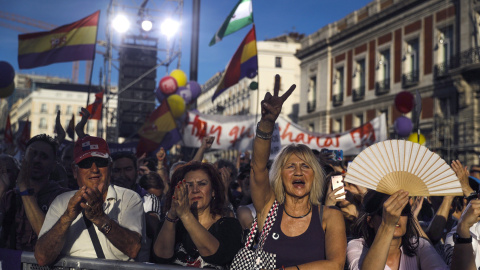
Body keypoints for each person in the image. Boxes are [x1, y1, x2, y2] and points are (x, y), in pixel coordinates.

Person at [246, 74, 346, 269]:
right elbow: (258, 167)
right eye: (291, 166)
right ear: (280, 175)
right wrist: (267, 123)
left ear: (315, 175)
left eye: (305, 166)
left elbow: (335, 264)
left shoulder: (330, 217)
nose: (298, 172)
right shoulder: (268, 209)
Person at [34, 135, 145, 265]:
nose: (94, 169)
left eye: (100, 163)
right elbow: (42, 258)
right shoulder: (61, 202)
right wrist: (67, 218)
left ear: (110, 166)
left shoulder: (129, 198)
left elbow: (133, 249)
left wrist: (100, 218)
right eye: (86, 164)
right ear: (75, 171)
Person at [153, 161, 243, 268]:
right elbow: (161, 256)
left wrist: (186, 215)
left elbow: (214, 254)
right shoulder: (170, 224)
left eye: (202, 184)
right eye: (189, 185)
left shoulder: (229, 225)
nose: (195, 190)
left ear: (213, 191)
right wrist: (172, 214)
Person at [0, 135, 69, 251]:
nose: (36, 160)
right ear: (23, 160)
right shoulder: (9, 197)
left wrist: (24, 188)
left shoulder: (63, 198)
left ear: (53, 165)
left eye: (44, 157)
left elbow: (49, 241)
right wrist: (1, 191)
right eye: (32, 155)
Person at [347, 190, 448, 270]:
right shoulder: (357, 247)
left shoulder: (419, 245)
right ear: (370, 221)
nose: (396, 216)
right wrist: (387, 225)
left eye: (403, 210)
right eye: (386, 212)